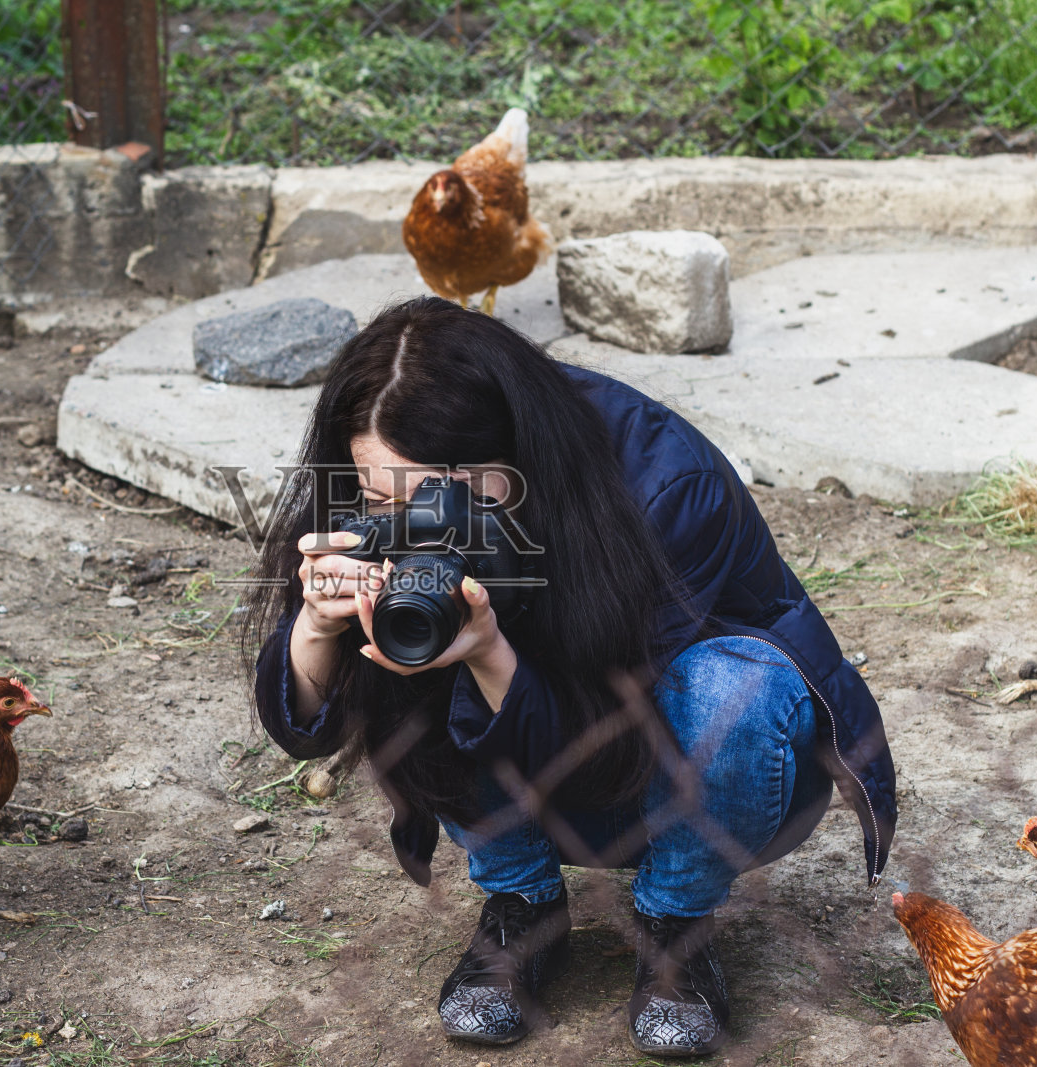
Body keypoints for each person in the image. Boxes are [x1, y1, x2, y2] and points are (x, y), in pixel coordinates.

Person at [247, 296, 896, 1055]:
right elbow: (305, 723)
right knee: (409, 623)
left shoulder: (663, 483)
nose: (407, 520)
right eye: (380, 495)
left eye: (432, 499)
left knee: (739, 686)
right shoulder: (372, 505)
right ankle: (522, 903)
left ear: (513, 456)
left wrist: (492, 649)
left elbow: (607, 731)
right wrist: (317, 626)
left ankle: (675, 923)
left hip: (692, 766)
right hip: (527, 761)